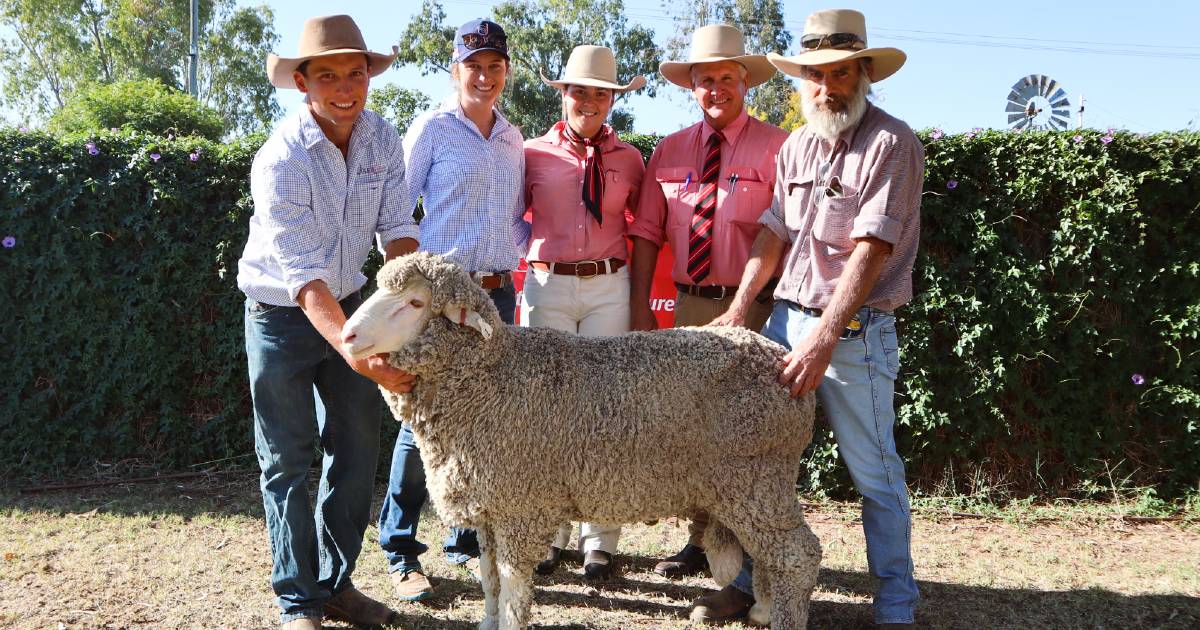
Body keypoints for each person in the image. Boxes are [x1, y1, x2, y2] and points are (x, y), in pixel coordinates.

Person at [693, 9, 923, 626]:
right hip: (781, 328)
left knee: (873, 471)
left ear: (865, 73)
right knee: (751, 462)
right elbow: (774, 232)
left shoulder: (891, 143)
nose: (828, 87)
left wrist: (824, 338)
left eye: (842, 73)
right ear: (801, 80)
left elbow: (871, 251)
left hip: (853, 336)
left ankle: (897, 601)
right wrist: (742, 310)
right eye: (816, 75)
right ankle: (743, 585)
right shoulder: (797, 143)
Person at [238, 15, 415, 630]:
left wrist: (412, 311)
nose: (346, 86)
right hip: (281, 317)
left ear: (368, 77)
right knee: (286, 460)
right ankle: (299, 601)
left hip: (350, 299)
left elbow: (397, 234)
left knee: (359, 446)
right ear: (303, 84)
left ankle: (336, 586)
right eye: (329, 75)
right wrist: (358, 353)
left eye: (356, 73)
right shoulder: (280, 157)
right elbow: (303, 277)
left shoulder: (383, 138)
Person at [627, 23, 789, 580]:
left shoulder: (779, 148)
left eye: (726, 77)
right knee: (688, 428)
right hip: (690, 308)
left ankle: (750, 540)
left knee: (746, 432)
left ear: (744, 81)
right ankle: (699, 540)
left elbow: (785, 232)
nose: (716, 88)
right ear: (691, 87)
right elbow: (647, 231)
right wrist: (643, 303)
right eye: (705, 80)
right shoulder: (669, 150)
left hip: (759, 310)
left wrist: (748, 305)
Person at [377, 17, 530, 603]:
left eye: (494, 65)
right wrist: (416, 287)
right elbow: (395, 213)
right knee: (422, 422)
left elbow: (517, 216)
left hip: (497, 297)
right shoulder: (432, 129)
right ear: (455, 69)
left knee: (484, 424)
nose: (484, 76)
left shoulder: (513, 137)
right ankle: (400, 548)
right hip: (440, 306)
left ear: (506, 71)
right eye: (474, 65)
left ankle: (467, 544)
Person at [521, 44, 647, 581]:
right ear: (564, 95)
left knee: (604, 414)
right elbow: (509, 218)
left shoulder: (632, 159)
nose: (589, 101)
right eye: (580, 91)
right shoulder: (530, 153)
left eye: (601, 93)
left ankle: (601, 538)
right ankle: (549, 535)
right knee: (546, 414)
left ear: (612, 100)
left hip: (607, 287)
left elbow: (645, 228)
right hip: (546, 286)